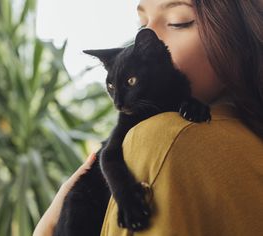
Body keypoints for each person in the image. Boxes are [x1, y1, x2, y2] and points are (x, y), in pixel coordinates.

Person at [33, 0, 263, 235]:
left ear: (237, 28)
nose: (150, 35)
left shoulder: (165, 138)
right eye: (141, 24)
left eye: (178, 22)